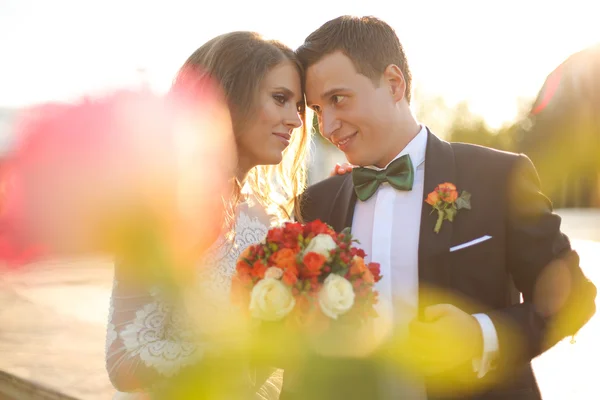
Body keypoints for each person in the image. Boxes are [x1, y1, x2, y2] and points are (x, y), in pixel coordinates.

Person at [285, 15, 597, 400]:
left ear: (394, 84)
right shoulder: (317, 203)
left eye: (337, 99)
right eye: (316, 109)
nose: (327, 125)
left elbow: (575, 297)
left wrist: (482, 335)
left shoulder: (499, 177)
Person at [105, 31, 313, 399]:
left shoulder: (269, 216)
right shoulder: (165, 205)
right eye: (280, 99)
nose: (295, 121)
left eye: (298, 106)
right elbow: (123, 360)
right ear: (226, 97)